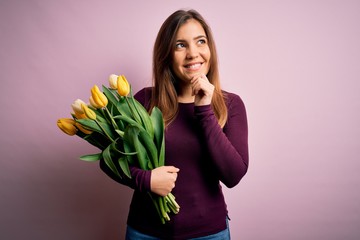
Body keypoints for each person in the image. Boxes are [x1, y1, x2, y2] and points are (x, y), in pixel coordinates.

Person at [100, 9, 249, 240]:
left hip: (208, 233)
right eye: (180, 45)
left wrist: (204, 110)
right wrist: (146, 180)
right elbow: (109, 161)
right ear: (166, 54)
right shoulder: (144, 102)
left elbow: (233, 175)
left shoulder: (230, 105)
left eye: (200, 41)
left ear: (210, 49)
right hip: (146, 233)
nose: (193, 53)